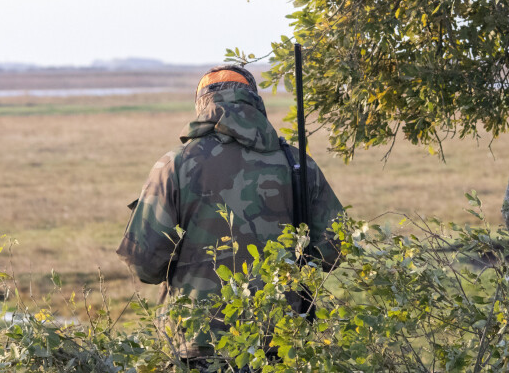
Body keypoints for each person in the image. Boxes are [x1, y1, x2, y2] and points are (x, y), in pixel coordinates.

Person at [117, 64, 344, 363]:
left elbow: (144, 263)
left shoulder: (174, 164)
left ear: (202, 105)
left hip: (197, 341)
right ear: (255, 102)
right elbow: (334, 249)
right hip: (281, 340)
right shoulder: (296, 163)